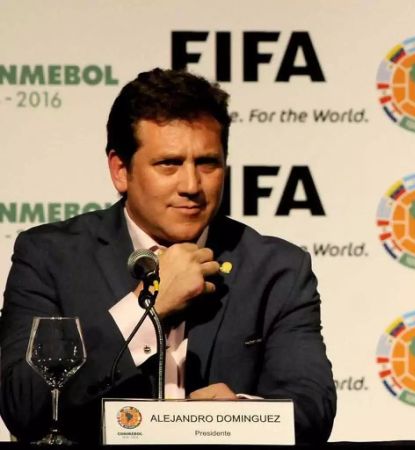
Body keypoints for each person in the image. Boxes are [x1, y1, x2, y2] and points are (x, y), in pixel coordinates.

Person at [0, 68, 336, 444]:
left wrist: (239, 419)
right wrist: (150, 311)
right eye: (169, 164)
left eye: (207, 163)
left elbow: (312, 410)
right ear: (120, 170)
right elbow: (23, 406)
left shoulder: (277, 269)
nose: (192, 185)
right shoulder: (50, 258)